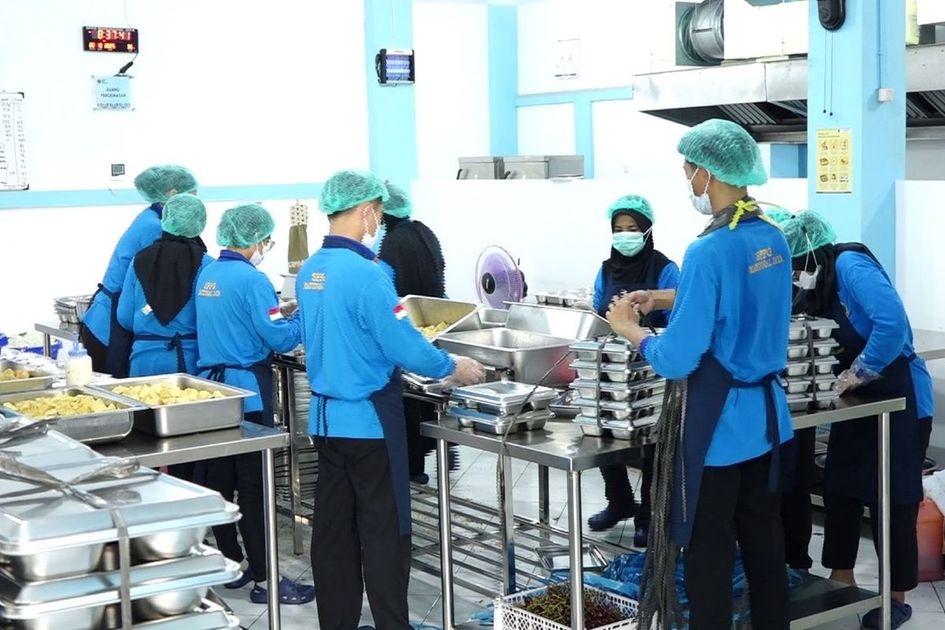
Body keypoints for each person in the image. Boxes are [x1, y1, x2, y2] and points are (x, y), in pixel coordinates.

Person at [607, 119, 794, 630]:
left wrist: (630, 329)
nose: (687, 178)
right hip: (767, 421)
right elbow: (739, 296)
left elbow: (676, 359)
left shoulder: (708, 249)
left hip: (719, 431)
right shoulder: (771, 237)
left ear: (707, 174)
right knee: (764, 548)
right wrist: (664, 296)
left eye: (688, 169)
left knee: (709, 556)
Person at [297, 170, 486, 630]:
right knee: (384, 532)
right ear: (366, 211)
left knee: (334, 533)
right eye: (377, 214)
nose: (378, 223)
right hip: (370, 423)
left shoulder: (310, 271)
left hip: (324, 421)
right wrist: (452, 366)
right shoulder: (369, 276)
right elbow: (404, 345)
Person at [783, 210, 934, 629]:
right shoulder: (816, 284)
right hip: (854, 400)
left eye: (797, 267)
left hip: (900, 394)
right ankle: (841, 578)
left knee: (894, 499)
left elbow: (892, 324)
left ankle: (895, 596)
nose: (796, 277)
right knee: (841, 489)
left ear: (812, 254)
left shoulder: (849, 264)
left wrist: (862, 370)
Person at [195, 203, 314, 605]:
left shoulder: (208, 274)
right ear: (257, 239)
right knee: (254, 488)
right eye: (266, 240)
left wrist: (278, 316)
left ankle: (232, 564)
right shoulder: (252, 279)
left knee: (219, 484)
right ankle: (267, 579)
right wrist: (303, 317)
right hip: (247, 392)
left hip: (213, 393)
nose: (266, 246)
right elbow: (279, 338)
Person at [587, 194, 680, 549]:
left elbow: (679, 317)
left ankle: (649, 515)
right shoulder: (606, 269)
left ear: (647, 231)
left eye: (632, 229)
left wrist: (642, 325)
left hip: (652, 366)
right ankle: (619, 501)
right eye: (618, 229)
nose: (625, 235)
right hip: (614, 367)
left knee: (653, 443)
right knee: (607, 432)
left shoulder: (665, 268)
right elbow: (597, 311)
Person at [81, 165, 198, 377]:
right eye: (192, 196)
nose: (194, 203)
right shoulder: (155, 228)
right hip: (110, 326)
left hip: (107, 317)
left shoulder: (150, 217)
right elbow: (162, 289)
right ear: (171, 193)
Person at [375, 182, 455, 484]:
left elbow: (384, 292)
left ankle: (407, 466)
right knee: (421, 397)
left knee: (405, 399)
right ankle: (420, 463)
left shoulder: (390, 243)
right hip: (432, 324)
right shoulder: (424, 232)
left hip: (403, 327)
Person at [117, 193, 212, 376]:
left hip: (143, 360)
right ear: (200, 224)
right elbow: (212, 321)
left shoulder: (139, 259)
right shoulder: (207, 265)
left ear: (165, 219)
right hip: (186, 362)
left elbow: (124, 317)